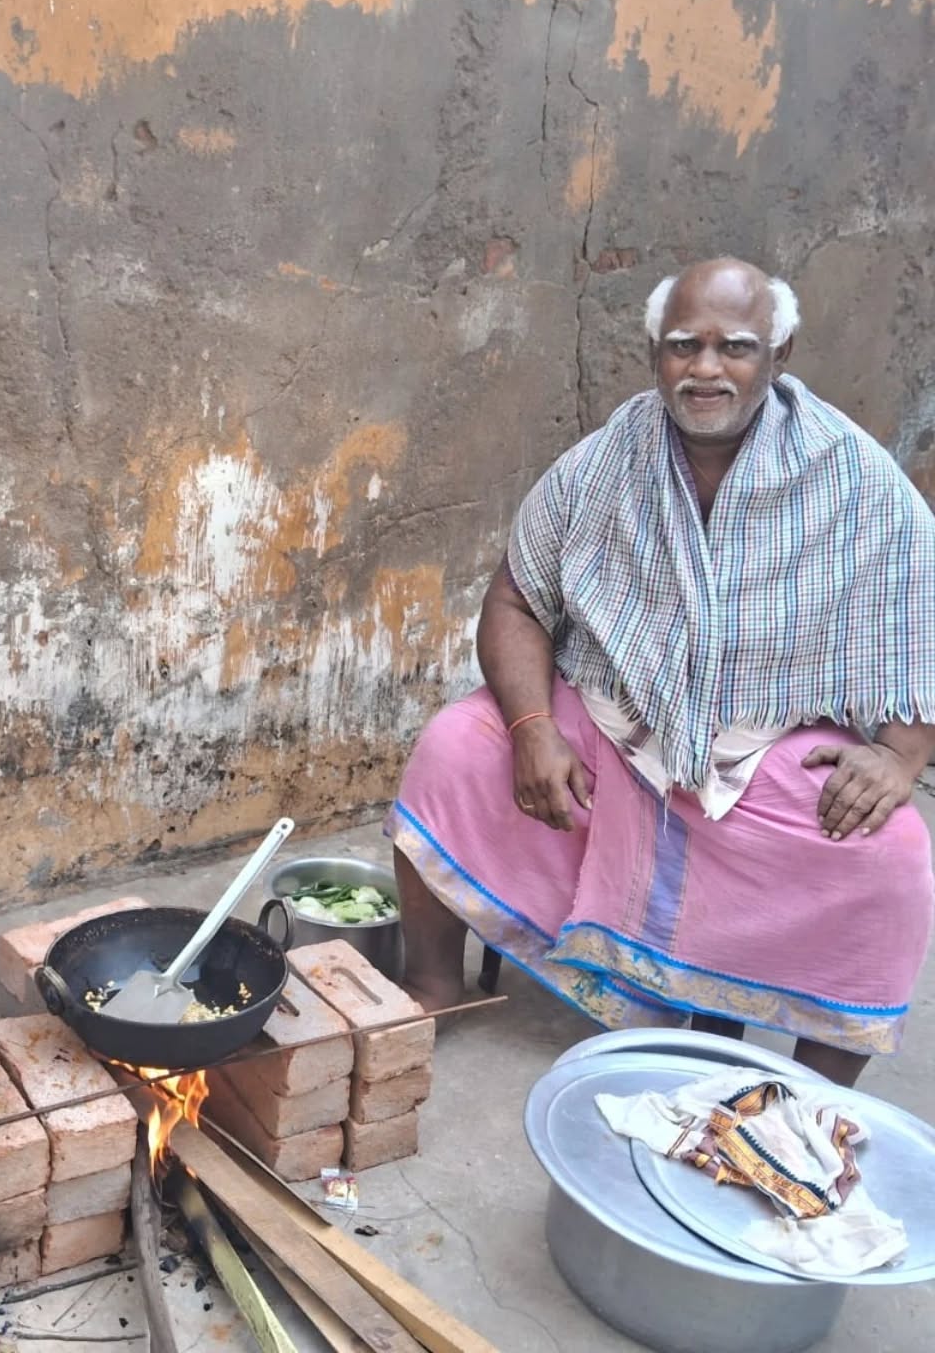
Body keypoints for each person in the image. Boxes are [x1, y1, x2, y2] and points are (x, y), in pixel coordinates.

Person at [387, 258, 935, 1086]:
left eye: (735, 348)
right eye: (684, 347)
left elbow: (918, 623)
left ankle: (813, 1099)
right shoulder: (603, 462)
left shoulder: (857, 479)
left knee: (891, 852)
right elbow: (514, 602)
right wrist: (533, 729)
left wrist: (898, 756)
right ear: (654, 356)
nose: (706, 369)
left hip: (761, 740)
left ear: (780, 354)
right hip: (612, 717)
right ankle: (429, 982)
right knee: (456, 748)